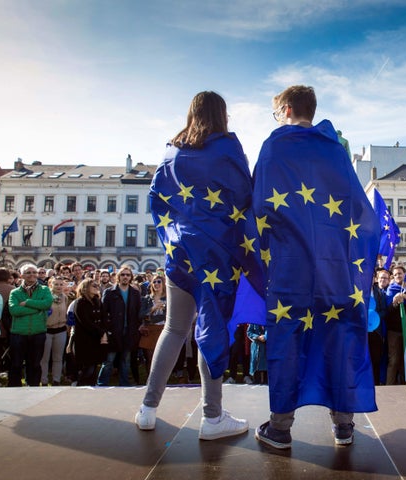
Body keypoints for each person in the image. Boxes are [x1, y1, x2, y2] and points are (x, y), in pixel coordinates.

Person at [252, 85, 380, 449]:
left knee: (286, 339)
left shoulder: (274, 146)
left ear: (288, 109)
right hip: (334, 267)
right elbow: (357, 207)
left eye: (276, 112)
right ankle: (344, 425)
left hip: (291, 267)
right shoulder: (336, 151)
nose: (277, 118)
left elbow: (260, 206)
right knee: (339, 337)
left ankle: (280, 428)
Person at [136, 91, 254, 440]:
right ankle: (212, 417)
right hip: (216, 255)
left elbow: (156, 195)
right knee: (211, 326)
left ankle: (147, 409)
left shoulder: (172, 150)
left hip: (180, 253)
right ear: (223, 115)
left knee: (174, 328)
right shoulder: (228, 148)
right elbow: (245, 195)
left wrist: (174, 236)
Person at [8, 264, 54, 387]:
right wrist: (37, 308)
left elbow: (47, 304)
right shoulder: (15, 292)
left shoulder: (44, 290)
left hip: (38, 332)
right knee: (16, 364)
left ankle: (33, 389)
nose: (32, 275)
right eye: (28, 272)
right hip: (18, 333)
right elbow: (14, 311)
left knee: (34, 364)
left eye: (34, 272)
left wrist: (28, 302)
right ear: (22, 275)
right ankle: (14, 390)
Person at [97, 264, 141, 386]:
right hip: (113, 332)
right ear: (118, 277)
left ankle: (124, 384)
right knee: (109, 360)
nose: (125, 277)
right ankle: (102, 383)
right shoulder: (109, 292)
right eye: (122, 275)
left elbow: (138, 313)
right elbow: (103, 314)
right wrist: (105, 332)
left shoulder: (135, 293)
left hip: (129, 332)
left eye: (128, 275)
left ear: (131, 277)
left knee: (125, 360)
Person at [72, 279, 106, 386]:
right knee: (87, 369)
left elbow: (103, 318)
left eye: (97, 285)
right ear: (85, 288)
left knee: (93, 369)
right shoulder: (80, 302)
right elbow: (86, 322)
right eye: (94, 286)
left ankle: (91, 390)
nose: (97, 287)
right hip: (85, 341)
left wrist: (104, 332)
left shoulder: (97, 301)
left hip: (96, 340)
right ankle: (80, 389)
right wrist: (101, 333)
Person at [40, 276, 68, 386]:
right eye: (56, 284)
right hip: (47, 330)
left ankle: (56, 380)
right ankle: (44, 380)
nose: (59, 287)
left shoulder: (65, 297)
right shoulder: (46, 297)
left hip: (60, 330)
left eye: (61, 284)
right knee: (44, 358)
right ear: (51, 285)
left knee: (58, 357)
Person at [138, 274, 167, 374]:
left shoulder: (168, 299)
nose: (156, 284)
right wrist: (152, 309)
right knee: (149, 358)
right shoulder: (146, 299)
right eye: (154, 282)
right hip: (149, 330)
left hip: (163, 330)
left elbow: (169, 316)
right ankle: (150, 380)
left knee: (162, 359)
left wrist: (151, 317)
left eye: (159, 281)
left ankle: (161, 380)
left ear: (163, 284)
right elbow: (141, 315)